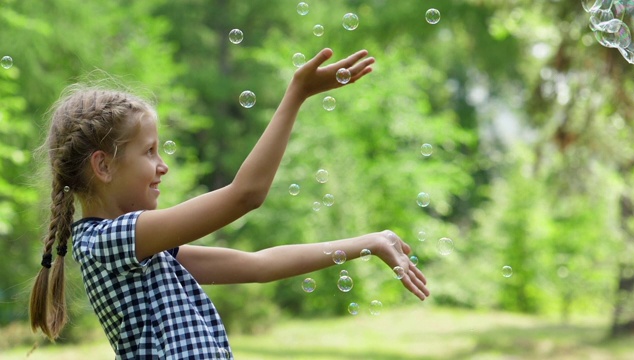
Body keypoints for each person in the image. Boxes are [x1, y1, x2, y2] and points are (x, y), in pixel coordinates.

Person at [29, 48, 429, 359]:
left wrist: (369, 242)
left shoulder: (149, 254)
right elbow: (246, 194)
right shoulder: (108, 242)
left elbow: (259, 266)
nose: (162, 166)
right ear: (103, 166)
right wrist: (296, 94)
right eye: (149, 152)